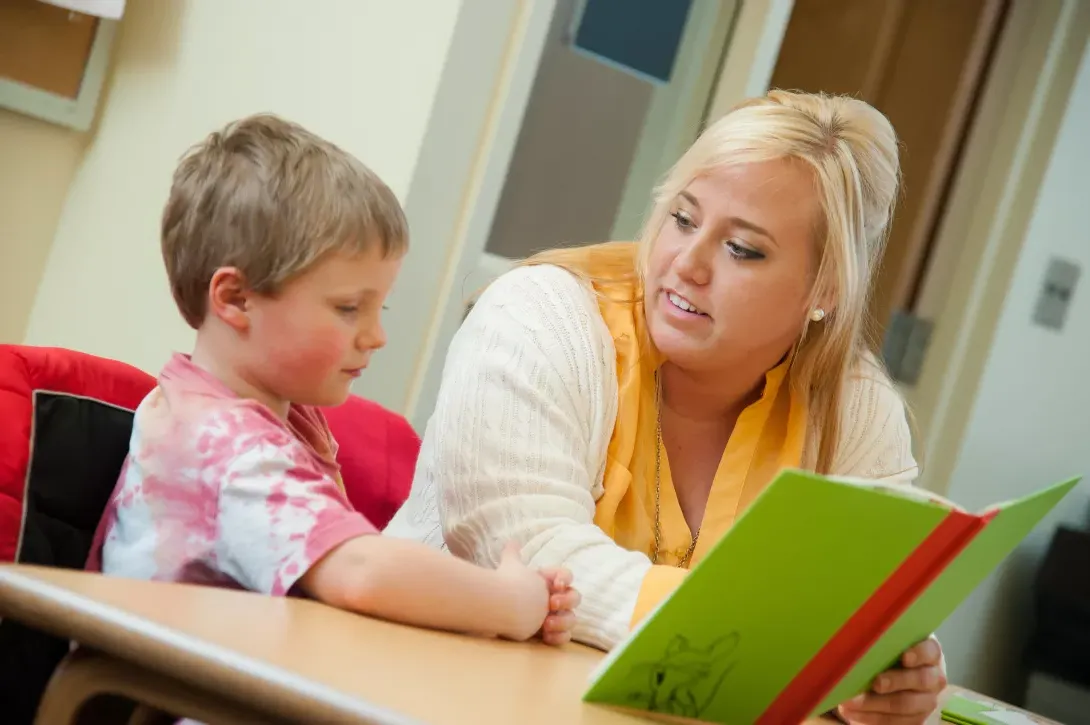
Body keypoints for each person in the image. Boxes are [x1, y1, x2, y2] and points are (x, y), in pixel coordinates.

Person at [385, 91, 946, 722]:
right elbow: (533, 556)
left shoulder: (855, 404)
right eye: (683, 218)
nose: (686, 264)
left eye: (743, 250)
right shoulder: (539, 319)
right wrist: (787, 644)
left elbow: (870, 606)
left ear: (828, 288)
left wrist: (889, 678)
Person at [86, 114, 578, 646]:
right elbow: (362, 573)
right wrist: (509, 600)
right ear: (235, 299)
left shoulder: (268, 418)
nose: (376, 336)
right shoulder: (222, 445)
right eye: (349, 308)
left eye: (379, 307)